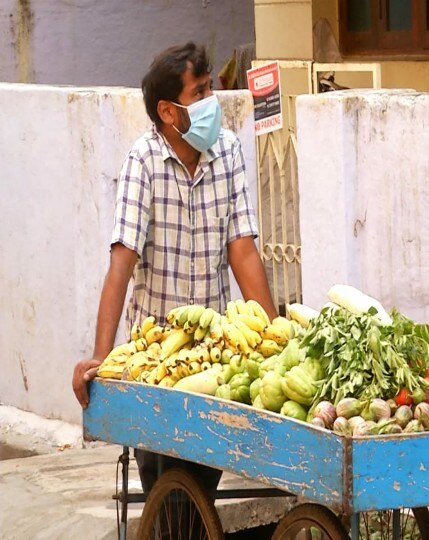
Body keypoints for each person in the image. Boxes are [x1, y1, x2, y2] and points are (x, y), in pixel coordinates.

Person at [71, 42, 277, 499]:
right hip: (156, 364)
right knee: (166, 490)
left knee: (201, 488)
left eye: (211, 89)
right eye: (199, 92)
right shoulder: (142, 162)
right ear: (168, 110)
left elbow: (242, 251)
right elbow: (121, 264)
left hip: (214, 357)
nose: (211, 103)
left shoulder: (226, 152)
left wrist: (276, 339)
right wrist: (103, 358)